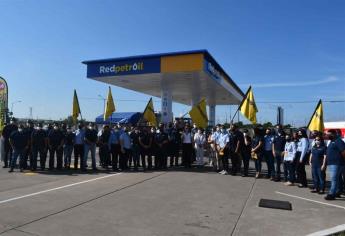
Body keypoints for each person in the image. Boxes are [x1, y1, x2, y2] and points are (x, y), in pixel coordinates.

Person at [324, 129, 345, 200]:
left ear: (333, 134)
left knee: (334, 179)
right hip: (332, 163)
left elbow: (343, 151)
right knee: (338, 179)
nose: (326, 135)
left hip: (337, 163)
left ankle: (331, 194)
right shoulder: (331, 141)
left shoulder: (338, 141)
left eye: (328, 134)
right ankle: (338, 192)